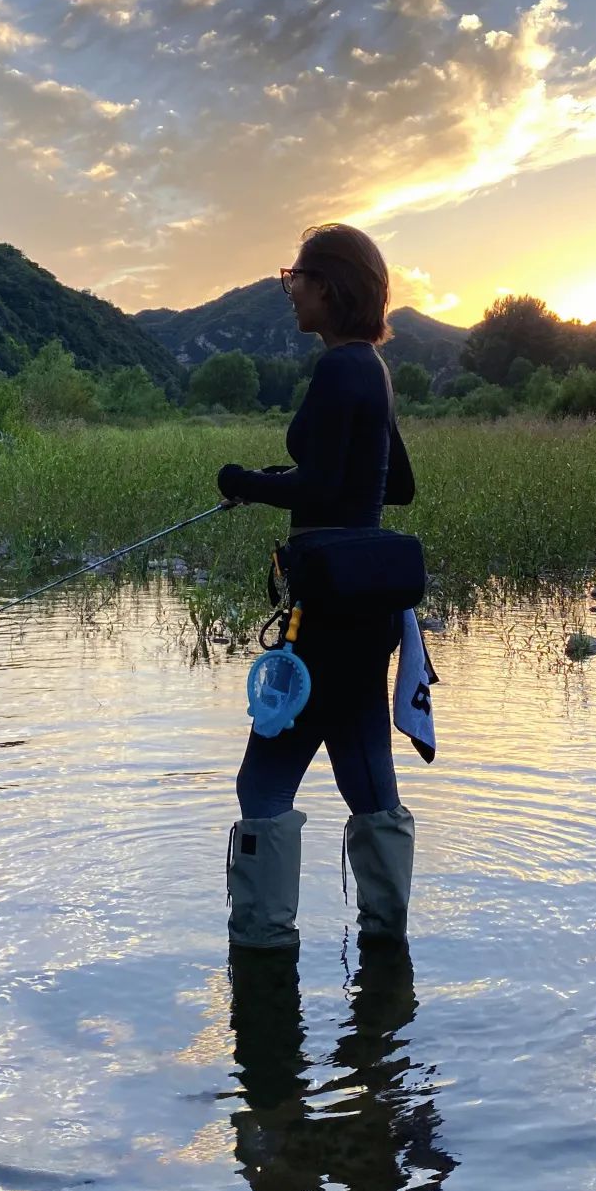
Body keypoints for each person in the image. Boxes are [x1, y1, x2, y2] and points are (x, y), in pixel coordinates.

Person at [217, 223, 417, 954]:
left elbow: (329, 482)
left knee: (261, 787)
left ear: (327, 286)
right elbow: (399, 485)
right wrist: (291, 482)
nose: (288, 288)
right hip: (367, 615)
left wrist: (246, 482)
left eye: (293, 277)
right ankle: (386, 961)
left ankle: (265, 966)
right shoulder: (373, 368)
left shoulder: (339, 371)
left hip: (327, 613)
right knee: (370, 787)